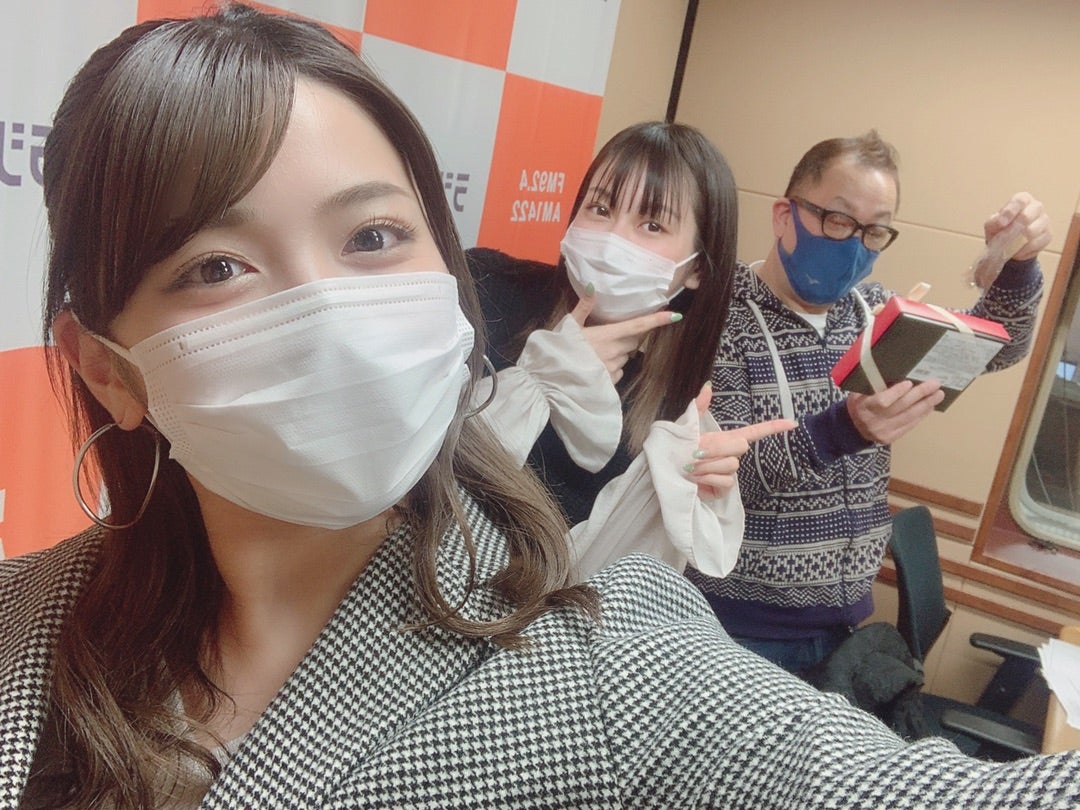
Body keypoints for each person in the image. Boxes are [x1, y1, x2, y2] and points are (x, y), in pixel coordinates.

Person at [4, 6, 1078, 807]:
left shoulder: (605, 663)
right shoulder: (27, 619)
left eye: (373, 236)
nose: (332, 320)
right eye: (216, 268)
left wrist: (1012, 280)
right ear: (105, 370)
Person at [685, 130, 1051, 675]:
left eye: (875, 230)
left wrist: (1017, 264)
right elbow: (716, 475)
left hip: (846, 621)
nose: (855, 243)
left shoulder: (873, 312)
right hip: (740, 626)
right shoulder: (718, 318)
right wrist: (846, 428)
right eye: (838, 219)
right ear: (785, 216)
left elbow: (995, 347)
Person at [468, 122, 793, 578]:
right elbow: (416, 471)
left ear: (697, 269)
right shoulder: (485, 288)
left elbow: (602, 574)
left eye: (652, 224)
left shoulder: (672, 410)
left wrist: (685, 488)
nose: (614, 238)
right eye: (600, 208)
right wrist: (534, 382)